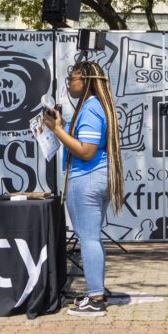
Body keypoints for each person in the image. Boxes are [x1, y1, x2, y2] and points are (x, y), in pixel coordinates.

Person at [43, 60, 125, 316]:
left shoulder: (90, 108)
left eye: (73, 79)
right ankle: (95, 293)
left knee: (88, 239)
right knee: (92, 238)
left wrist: (56, 130)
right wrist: (63, 126)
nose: (69, 83)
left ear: (86, 81)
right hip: (96, 178)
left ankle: (96, 298)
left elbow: (86, 151)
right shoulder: (95, 106)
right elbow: (82, 142)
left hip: (87, 178)